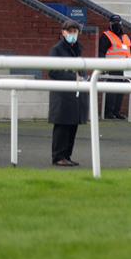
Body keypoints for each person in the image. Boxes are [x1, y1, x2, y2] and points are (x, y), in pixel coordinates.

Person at [47, 22, 86, 167]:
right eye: (70, 31)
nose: (73, 34)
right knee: (62, 126)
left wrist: (83, 77)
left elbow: (81, 67)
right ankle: (58, 157)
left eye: (75, 31)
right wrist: (73, 78)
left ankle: (67, 155)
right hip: (62, 94)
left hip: (75, 94)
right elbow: (53, 71)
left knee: (72, 126)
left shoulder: (77, 49)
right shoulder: (56, 50)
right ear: (63, 32)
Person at [100, 15, 131, 119]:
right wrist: (102, 68)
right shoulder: (106, 36)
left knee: (120, 91)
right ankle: (108, 112)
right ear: (110, 24)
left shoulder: (125, 37)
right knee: (111, 91)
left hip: (124, 68)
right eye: (114, 23)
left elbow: (128, 52)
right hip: (111, 68)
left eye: (118, 23)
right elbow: (101, 53)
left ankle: (116, 111)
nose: (116, 25)